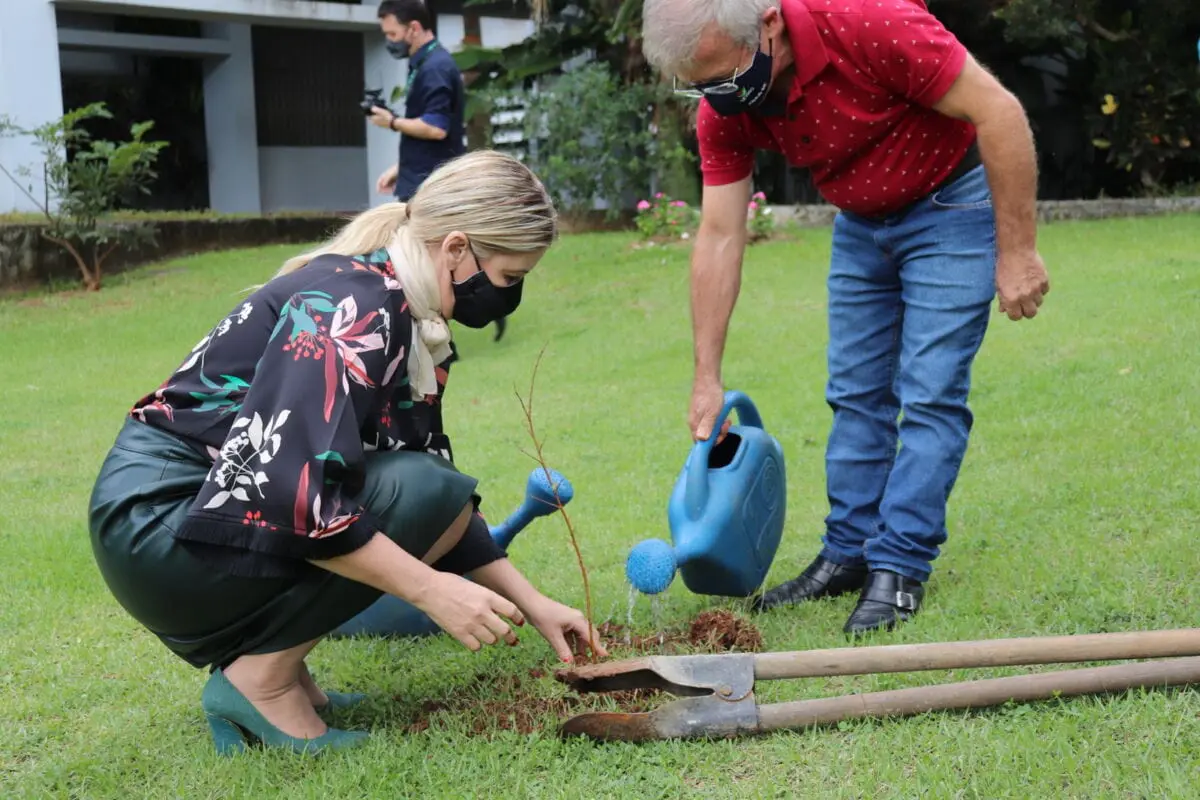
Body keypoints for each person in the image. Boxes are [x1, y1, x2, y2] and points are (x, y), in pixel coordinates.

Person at [87, 150, 607, 756]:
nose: (509, 297)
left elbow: (438, 504)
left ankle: (286, 672)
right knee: (415, 486)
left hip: (188, 514)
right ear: (458, 249)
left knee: (426, 483)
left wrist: (534, 602)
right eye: (510, 277)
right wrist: (431, 591)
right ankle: (261, 681)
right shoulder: (354, 305)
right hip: (156, 525)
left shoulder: (405, 315)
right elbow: (289, 492)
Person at [640, 0, 1050, 635]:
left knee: (931, 392)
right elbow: (720, 234)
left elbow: (998, 110)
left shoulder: (872, 22)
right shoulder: (723, 106)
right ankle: (851, 552)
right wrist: (706, 376)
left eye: (721, 79)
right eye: (696, 86)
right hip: (862, 222)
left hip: (951, 204)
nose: (715, 99)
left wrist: (1018, 251)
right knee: (855, 393)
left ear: (770, 24)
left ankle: (900, 564)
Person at [370, 0, 510, 342]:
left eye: (392, 33)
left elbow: (436, 128)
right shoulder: (424, 63)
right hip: (419, 173)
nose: (390, 41)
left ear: (413, 29)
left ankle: (460, 317)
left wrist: (391, 122)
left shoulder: (435, 67)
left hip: (429, 182)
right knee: (424, 257)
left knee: (420, 257)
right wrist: (399, 166)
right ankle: (464, 316)